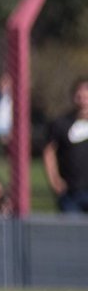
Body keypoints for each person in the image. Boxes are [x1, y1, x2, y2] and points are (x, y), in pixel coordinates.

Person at [42, 77, 88, 213]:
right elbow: (49, 152)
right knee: (71, 232)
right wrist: (54, 179)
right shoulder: (61, 124)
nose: (83, 100)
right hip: (70, 192)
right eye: (80, 96)